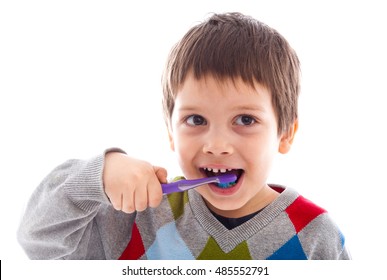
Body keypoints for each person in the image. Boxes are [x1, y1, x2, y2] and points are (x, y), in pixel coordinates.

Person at [17, 12, 350, 260]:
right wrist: (99, 175)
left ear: (285, 133)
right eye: (196, 119)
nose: (217, 145)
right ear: (171, 131)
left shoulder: (314, 236)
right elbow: (37, 237)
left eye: (245, 119)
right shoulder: (140, 218)